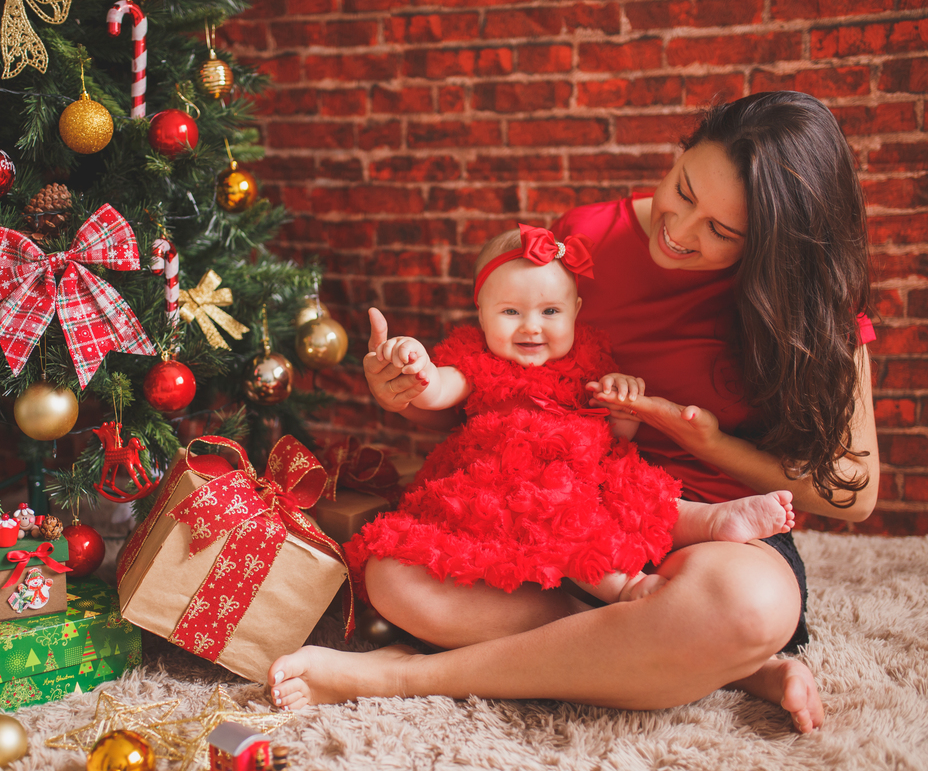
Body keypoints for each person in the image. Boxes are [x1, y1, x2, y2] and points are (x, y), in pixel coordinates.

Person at [268, 91, 878, 733]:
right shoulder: (581, 240)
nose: (681, 229)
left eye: (723, 232)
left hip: (702, 530)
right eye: (684, 188)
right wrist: (405, 391)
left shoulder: (809, 305)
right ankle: (721, 663)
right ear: (680, 152)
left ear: (777, 248)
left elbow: (854, 497)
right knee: (397, 579)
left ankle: (399, 675)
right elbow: (500, 395)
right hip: (550, 519)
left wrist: (702, 438)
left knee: (748, 607)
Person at [353, 224, 795, 606]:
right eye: (510, 312)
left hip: (589, 468)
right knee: (554, 513)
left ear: (576, 313)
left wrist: (623, 404)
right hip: (510, 481)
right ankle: (623, 589)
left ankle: (715, 520)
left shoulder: (589, 358)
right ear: (481, 314)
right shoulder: (475, 358)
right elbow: (440, 389)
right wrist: (415, 365)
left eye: (550, 312)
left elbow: (618, 432)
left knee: (639, 491)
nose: (531, 326)